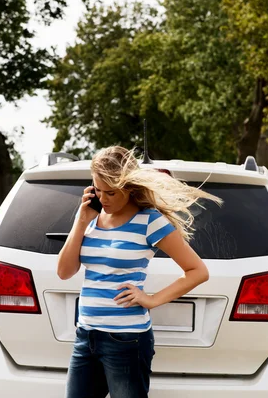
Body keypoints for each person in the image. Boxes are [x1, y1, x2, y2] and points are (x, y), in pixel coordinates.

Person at [57, 146, 223, 398]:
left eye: (111, 192)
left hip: (126, 341)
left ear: (130, 187)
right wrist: (80, 221)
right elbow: (64, 271)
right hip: (86, 336)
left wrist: (152, 300)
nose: (104, 199)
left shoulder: (149, 221)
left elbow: (197, 271)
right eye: (98, 190)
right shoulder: (90, 217)